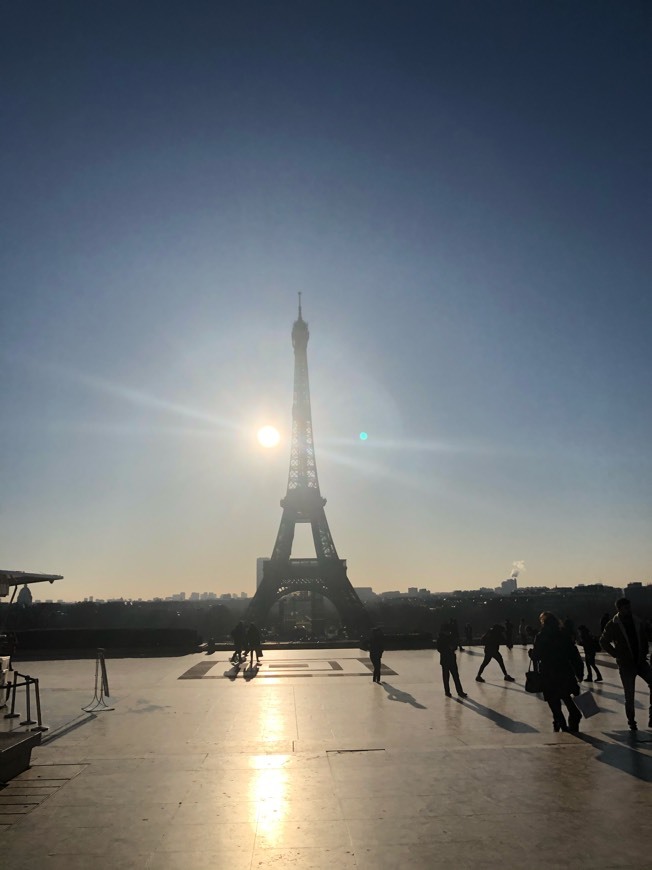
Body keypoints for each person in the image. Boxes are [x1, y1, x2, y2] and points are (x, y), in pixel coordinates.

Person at [600, 598, 652, 732]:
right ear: (619, 609)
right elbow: (603, 641)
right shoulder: (613, 625)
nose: (629, 610)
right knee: (629, 695)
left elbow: (645, 637)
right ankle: (631, 721)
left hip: (640, 661)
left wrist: (644, 651)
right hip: (627, 664)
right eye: (626, 608)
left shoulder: (637, 621)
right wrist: (617, 655)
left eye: (629, 607)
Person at [530, 612, 583, 733]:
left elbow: (536, 656)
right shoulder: (563, 635)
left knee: (553, 702)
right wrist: (579, 672)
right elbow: (574, 655)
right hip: (564, 671)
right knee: (566, 696)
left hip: (548, 673)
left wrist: (531, 654)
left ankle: (562, 725)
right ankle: (573, 717)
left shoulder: (541, 636)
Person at [436, 626, 467, 698]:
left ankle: (459, 691)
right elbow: (439, 649)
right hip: (446, 659)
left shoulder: (450, 637)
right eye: (447, 631)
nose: (449, 632)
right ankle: (448, 691)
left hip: (451, 659)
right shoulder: (440, 639)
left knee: (455, 676)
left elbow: (455, 646)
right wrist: (448, 648)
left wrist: (453, 647)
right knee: (447, 677)